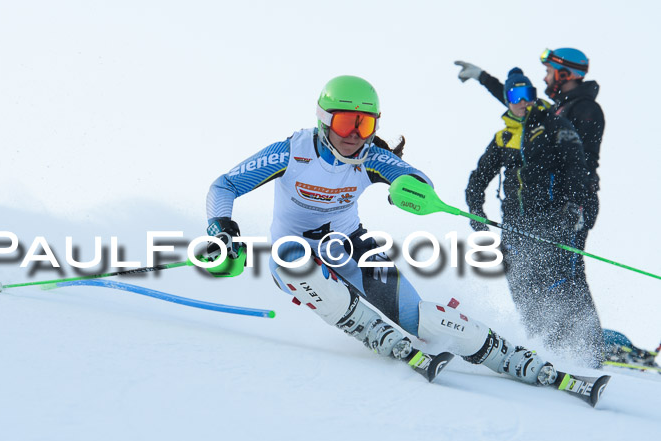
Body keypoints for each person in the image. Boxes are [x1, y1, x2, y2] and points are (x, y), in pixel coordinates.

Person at [204, 74, 582, 390]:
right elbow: (224, 186)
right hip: (293, 250)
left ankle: (509, 355)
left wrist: (410, 187)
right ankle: (369, 329)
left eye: (364, 124)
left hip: (349, 246)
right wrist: (222, 229)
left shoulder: (370, 158)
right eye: (344, 123)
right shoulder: (292, 152)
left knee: (418, 318)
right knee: (291, 263)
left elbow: (414, 176)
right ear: (324, 121)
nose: (354, 134)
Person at [464, 68, 604, 367]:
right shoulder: (504, 137)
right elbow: (478, 179)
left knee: (564, 283)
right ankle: (540, 345)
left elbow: (575, 166)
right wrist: (476, 211)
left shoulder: (553, 124)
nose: (523, 101)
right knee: (522, 284)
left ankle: (588, 351)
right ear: (507, 100)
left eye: (528, 94)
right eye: (515, 96)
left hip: (552, 221)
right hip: (516, 226)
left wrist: (574, 207)